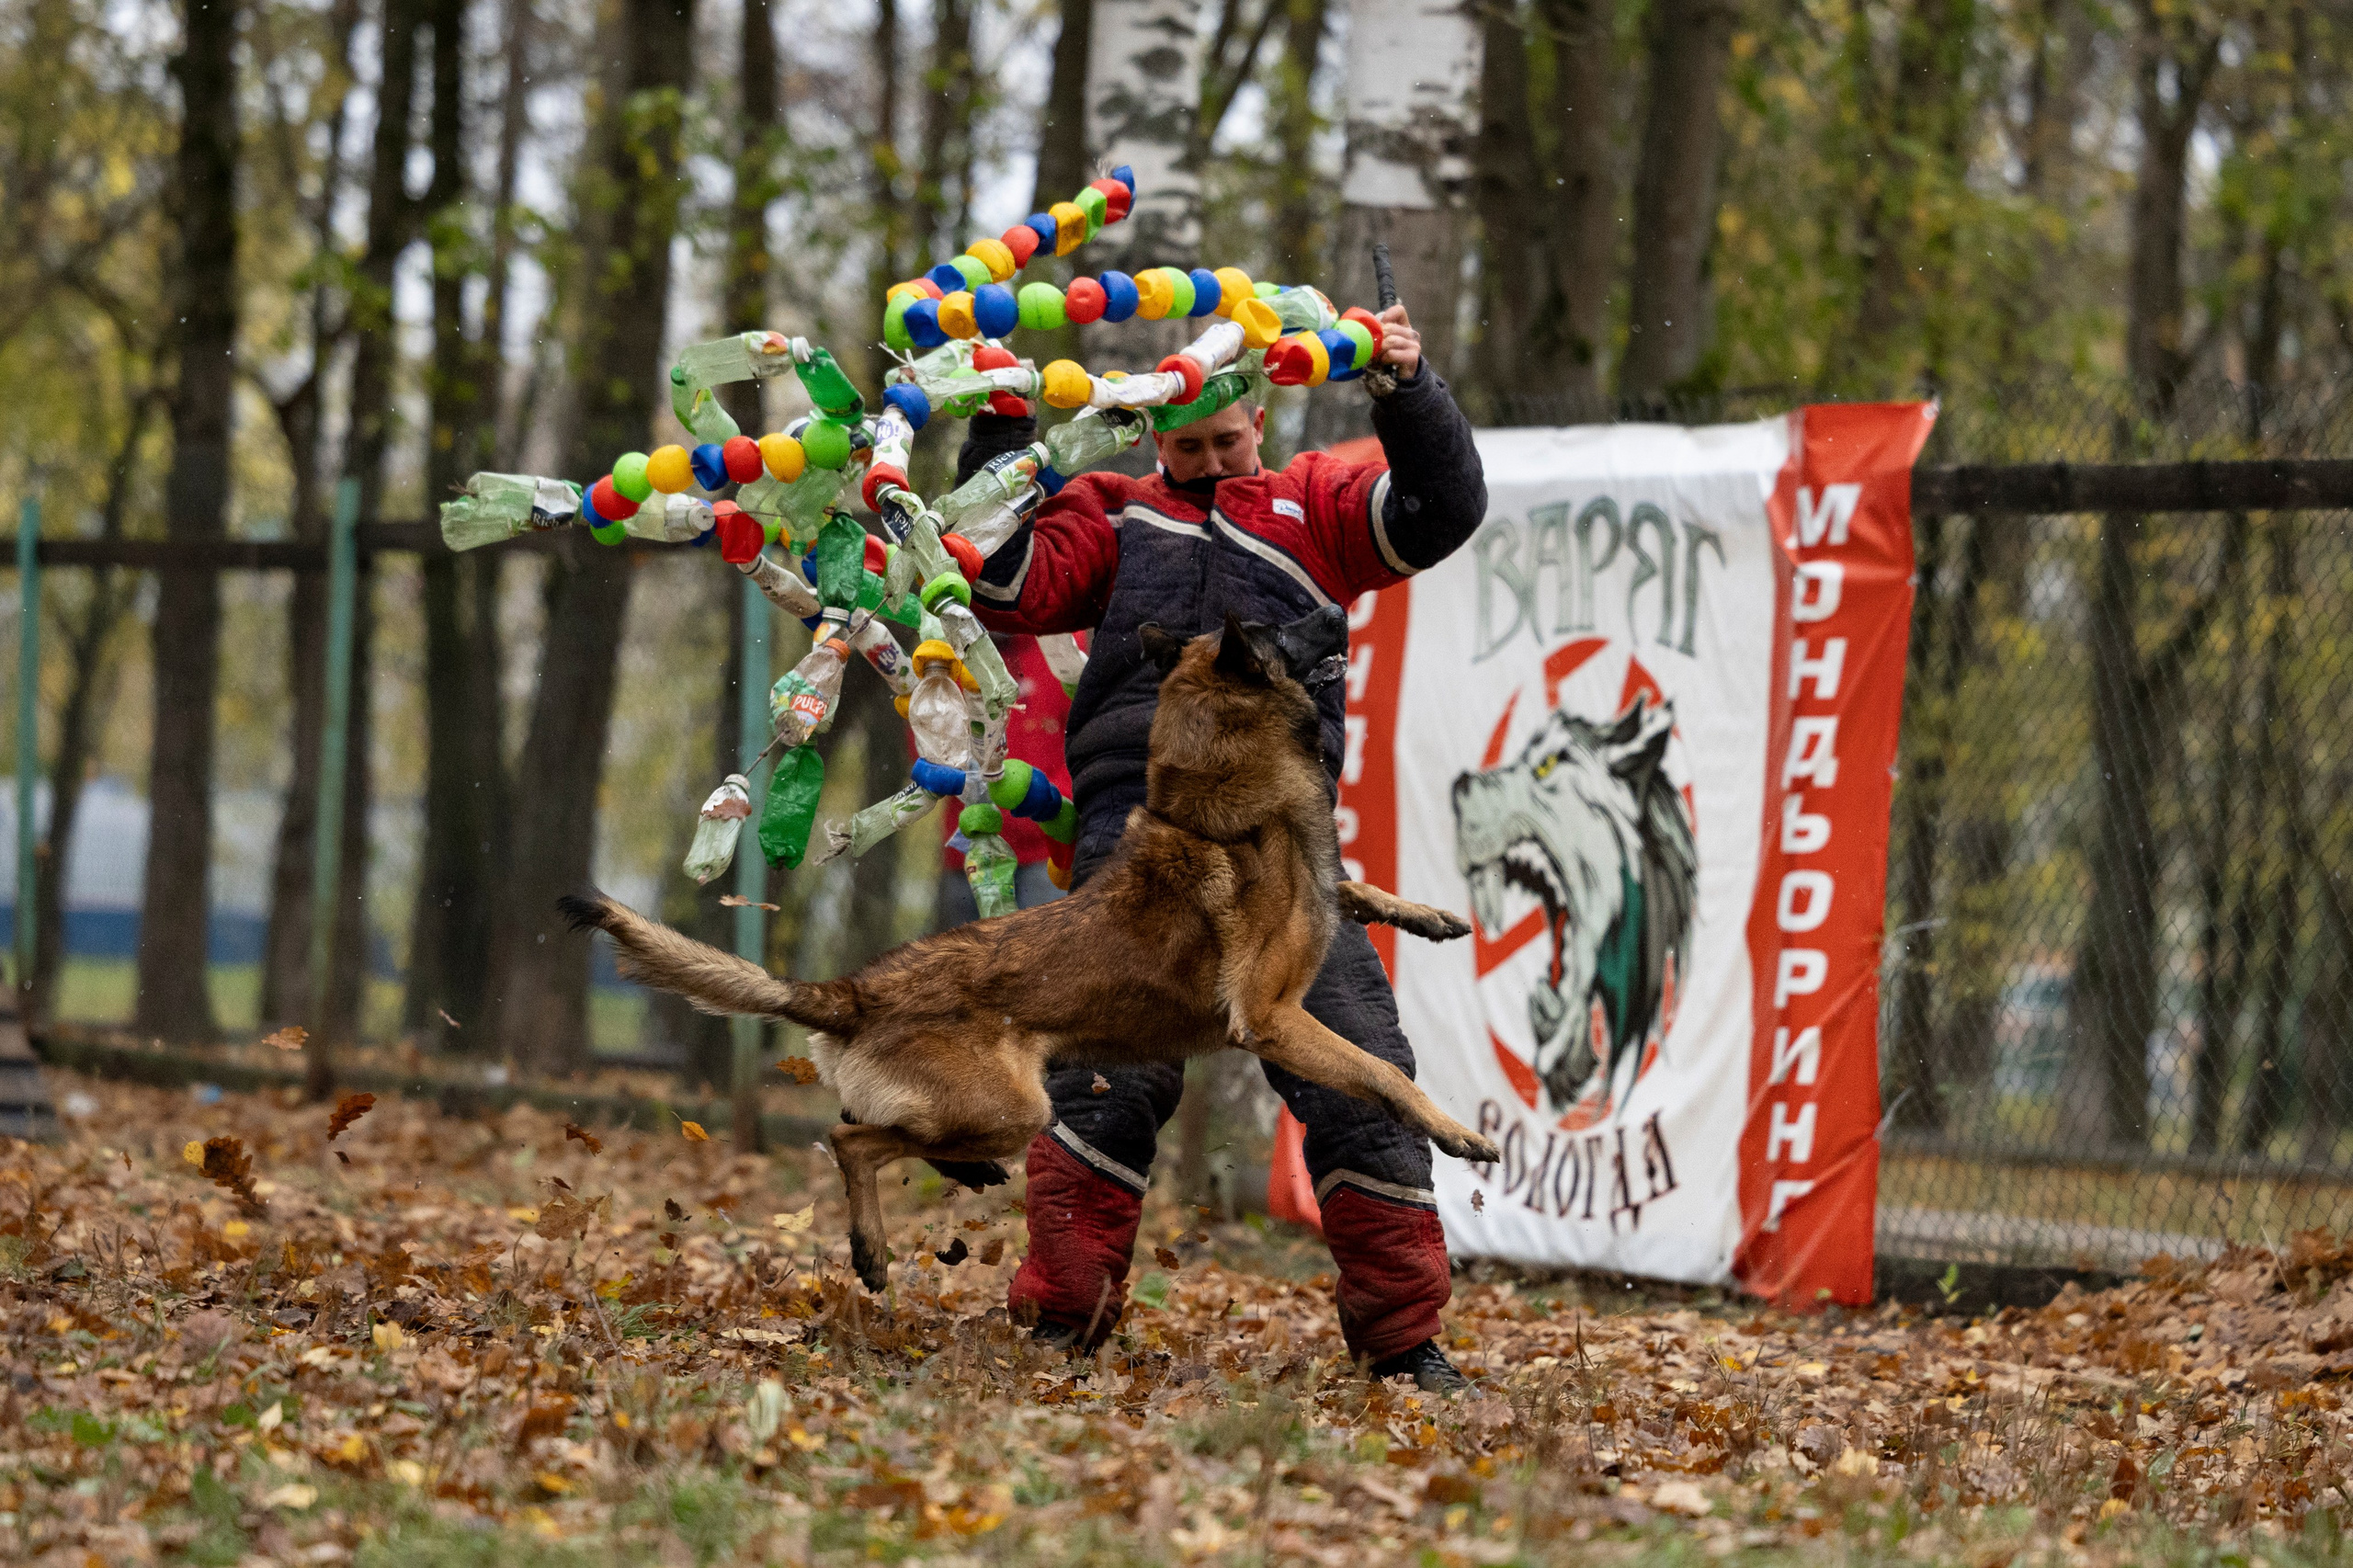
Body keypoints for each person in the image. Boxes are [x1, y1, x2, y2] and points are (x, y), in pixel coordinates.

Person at [954, 304, 1486, 1392]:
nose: (1204, 462)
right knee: (1105, 1075)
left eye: (1225, 442)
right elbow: (1000, 577)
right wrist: (1001, 426)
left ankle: (1404, 1343)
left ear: (1260, 420)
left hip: (1281, 843)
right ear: (1157, 436)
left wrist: (1408, 389)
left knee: (1361, 1065)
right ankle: (1060, 1321)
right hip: (1136, 834)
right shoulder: (1113, 513)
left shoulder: (1318, 507)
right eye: (1186, 446)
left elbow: (1441, 507)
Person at [931, 633, 1076, 925]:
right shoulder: (948, 658)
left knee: (1042, 951)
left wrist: (1050, 807)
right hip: (970, 853)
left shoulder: (1061, 645)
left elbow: (1080, 741)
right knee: (968, 953)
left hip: (1046, 854)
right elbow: (928, 752)